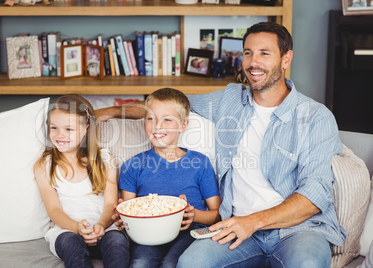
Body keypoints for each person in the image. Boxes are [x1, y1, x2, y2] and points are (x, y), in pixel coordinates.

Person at [96, 21, 346, 267]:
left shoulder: (315, 117)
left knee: (308, 264)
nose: (253, 62)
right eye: (248, 53)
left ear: (286, 59)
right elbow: (168, 107)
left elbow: (314, 197)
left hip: (298, 231)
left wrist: (252, 222)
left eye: (264, 53)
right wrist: (108, 112)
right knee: (192, 263)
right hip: (234, 227)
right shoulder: (230, 100)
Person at [115, 88, 222, 267]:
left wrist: (194, 215)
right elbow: (128, 209)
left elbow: (217, 214)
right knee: (140, 263)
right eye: (151, 118)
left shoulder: (200, 163)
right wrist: (123, 220)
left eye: (167, 119)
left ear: (183, 126)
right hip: (148, 233)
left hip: (190, 230)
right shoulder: (132, 166)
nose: (157, 126)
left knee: (172, 264)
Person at [34, 94, 130, 268]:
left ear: (86, 128)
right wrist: (76, 227)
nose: (59, 135)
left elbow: (110, 204)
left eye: (69, 129)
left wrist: (101, 224)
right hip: (66, 231)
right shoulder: (44, 166)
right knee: (72, 245)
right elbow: (53, 209)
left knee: (117, 242)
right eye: (54, 127)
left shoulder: (105, 160)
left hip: (105, 228)